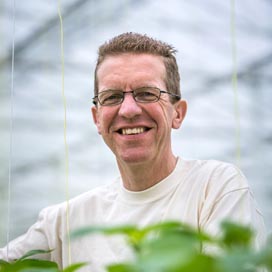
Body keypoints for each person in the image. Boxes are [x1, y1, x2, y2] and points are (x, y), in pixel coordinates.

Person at [0, 32, 266, 271]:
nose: (128, 110)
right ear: (97, 118)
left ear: (178, 113)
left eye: (147, 93)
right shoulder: (64, 222)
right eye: (112, 97)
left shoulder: (216, 187)